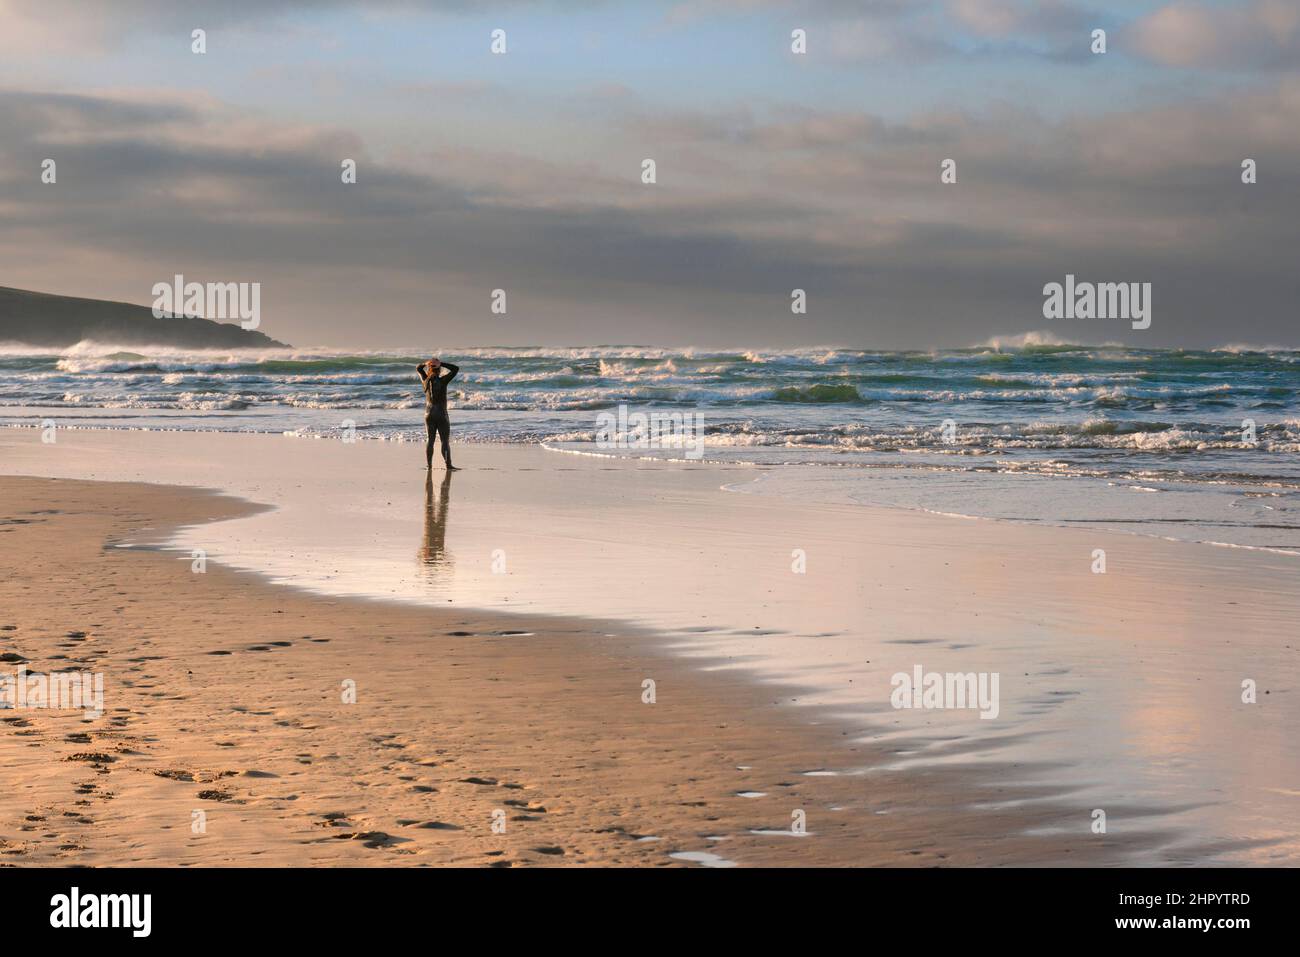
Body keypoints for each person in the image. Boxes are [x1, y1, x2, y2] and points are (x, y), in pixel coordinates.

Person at [417, 357, 460, 470]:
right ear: (439, 369)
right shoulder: (443, 380)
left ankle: (429, 466)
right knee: (444, 441)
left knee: (430, 440)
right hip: (441, 413)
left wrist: (426, 363)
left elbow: (418, 368)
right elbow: (455, 369)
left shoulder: (424, 380)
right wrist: (440, 363)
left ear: (429, 368)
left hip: (428, 413)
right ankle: (448, 465)